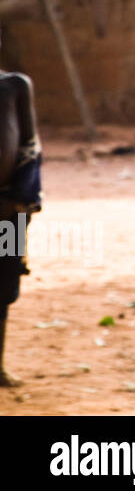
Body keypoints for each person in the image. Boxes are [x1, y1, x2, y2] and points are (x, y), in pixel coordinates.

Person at [0, 67, 39, 388]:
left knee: (4, 286)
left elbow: (29, 145)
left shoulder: (15, 86)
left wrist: (26, 196)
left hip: (10, 207)